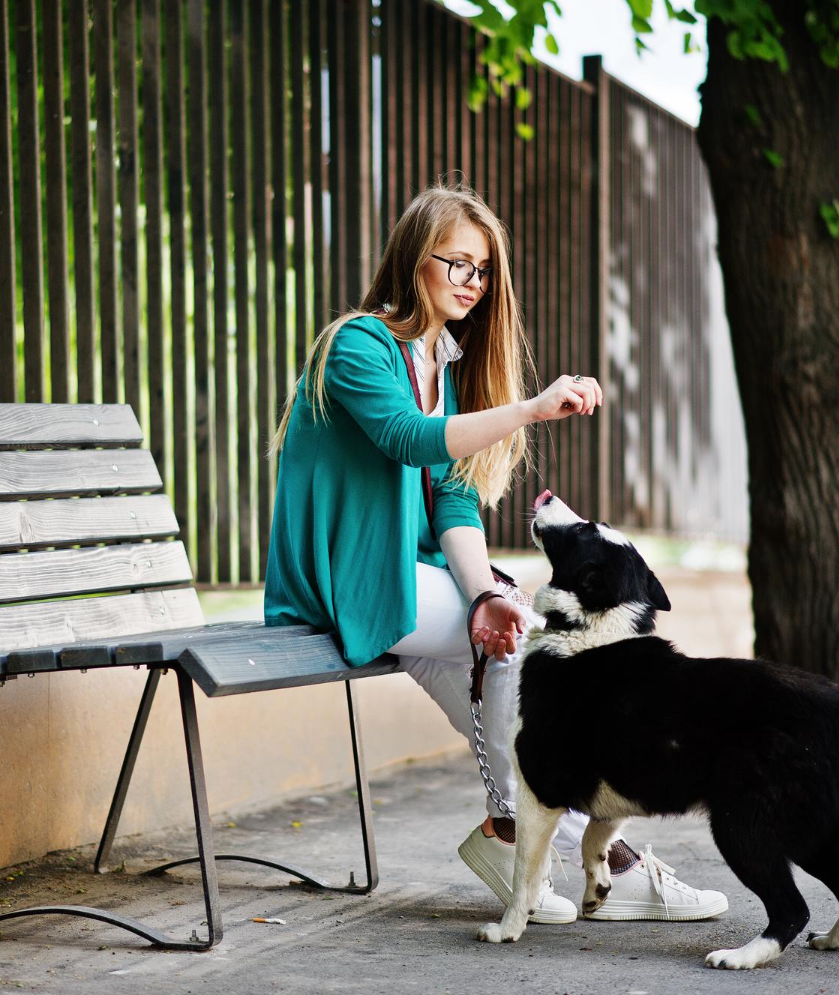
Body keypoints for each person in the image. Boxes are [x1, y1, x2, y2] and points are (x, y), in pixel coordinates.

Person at [263, 178, 727, 924]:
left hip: (410, 587)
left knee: (509, 667)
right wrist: (534, 409)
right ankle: (548, 840)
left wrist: (483, 595)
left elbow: (449, 495)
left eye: (482, 271)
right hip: (345, 583)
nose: (473, 284)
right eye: (458, 264)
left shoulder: (436, 365)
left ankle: (578, 851)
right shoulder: (358, 344)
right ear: (415, 258)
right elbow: (406, 440)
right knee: (528, 657)